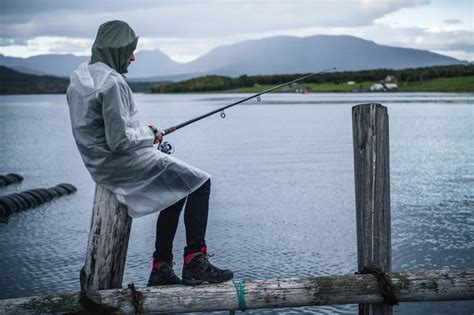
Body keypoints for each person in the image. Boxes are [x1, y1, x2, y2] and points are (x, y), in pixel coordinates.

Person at [66, 20, 233, 286]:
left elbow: (102, 133)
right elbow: (119, 142)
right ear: (117, 49)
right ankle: (194, 261)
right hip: (120, 162)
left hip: (97, 164)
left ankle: (161, 269)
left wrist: (144, 134)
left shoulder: (79, 78)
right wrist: (150, 132)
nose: (132, 57)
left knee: (176, 189)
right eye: (129, 50)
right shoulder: (112, 83)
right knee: (201, 182)